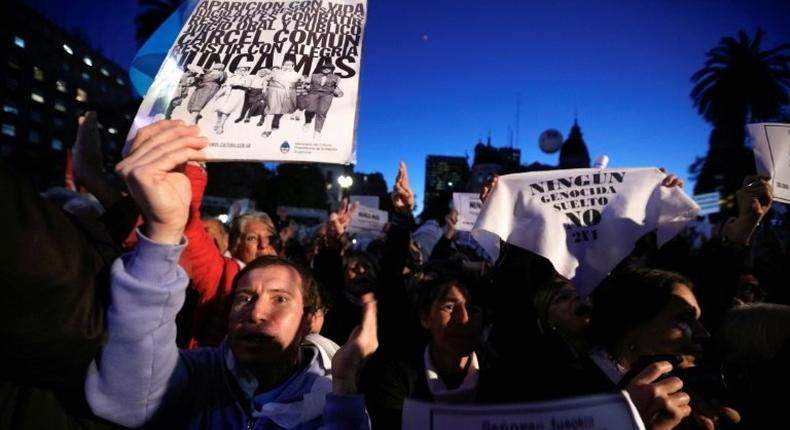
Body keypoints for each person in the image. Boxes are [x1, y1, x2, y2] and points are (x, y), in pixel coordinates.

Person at [85, 120, 377, 429]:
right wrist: (164, 227)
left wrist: (344, 389)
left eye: (279, 299)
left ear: (310, 320)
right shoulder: (199, 374)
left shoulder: (333, 396)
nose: (257, 312)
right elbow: (129, 399)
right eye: (244, 297)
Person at [260, 60, 303, 137]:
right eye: (286, 64)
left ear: (293, 66)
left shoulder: (297, 74)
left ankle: (276, 121)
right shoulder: (275, 72)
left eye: (290, 65)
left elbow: (302, 82)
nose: (287, 66)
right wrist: (264, 89)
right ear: (282, 65)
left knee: (282, 109)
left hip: (288, 93)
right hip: (274, 92)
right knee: (271, 109)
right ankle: (267, 129)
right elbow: (265, 80)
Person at [302, 63, 342, 141]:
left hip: (327, 95)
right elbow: (305, 84)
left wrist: (338, 92)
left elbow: (336, 87)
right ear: (322, 68)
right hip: (313, 93)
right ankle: (307, 122)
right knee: (310, 109)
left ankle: (317, 131)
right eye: (324, 67)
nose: (326, 69)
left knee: (322, 112)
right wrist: (307, 87)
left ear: (332, 70)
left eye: (329, 68)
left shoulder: (337, 78)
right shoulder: (314, 75)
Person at [212, 66, 250, 134]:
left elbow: (248, 86)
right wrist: (218, 94)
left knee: (227, 110)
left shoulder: (247, 77)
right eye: (239, 69)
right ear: (236, 70)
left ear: (245, 71)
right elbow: (226, 84)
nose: (241, 71)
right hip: (227, 92)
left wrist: (240, 84)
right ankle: (218, 121)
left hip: (237, 94)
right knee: (219, 107)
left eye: (243, 70)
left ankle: (221, 126)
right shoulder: (232, 76)